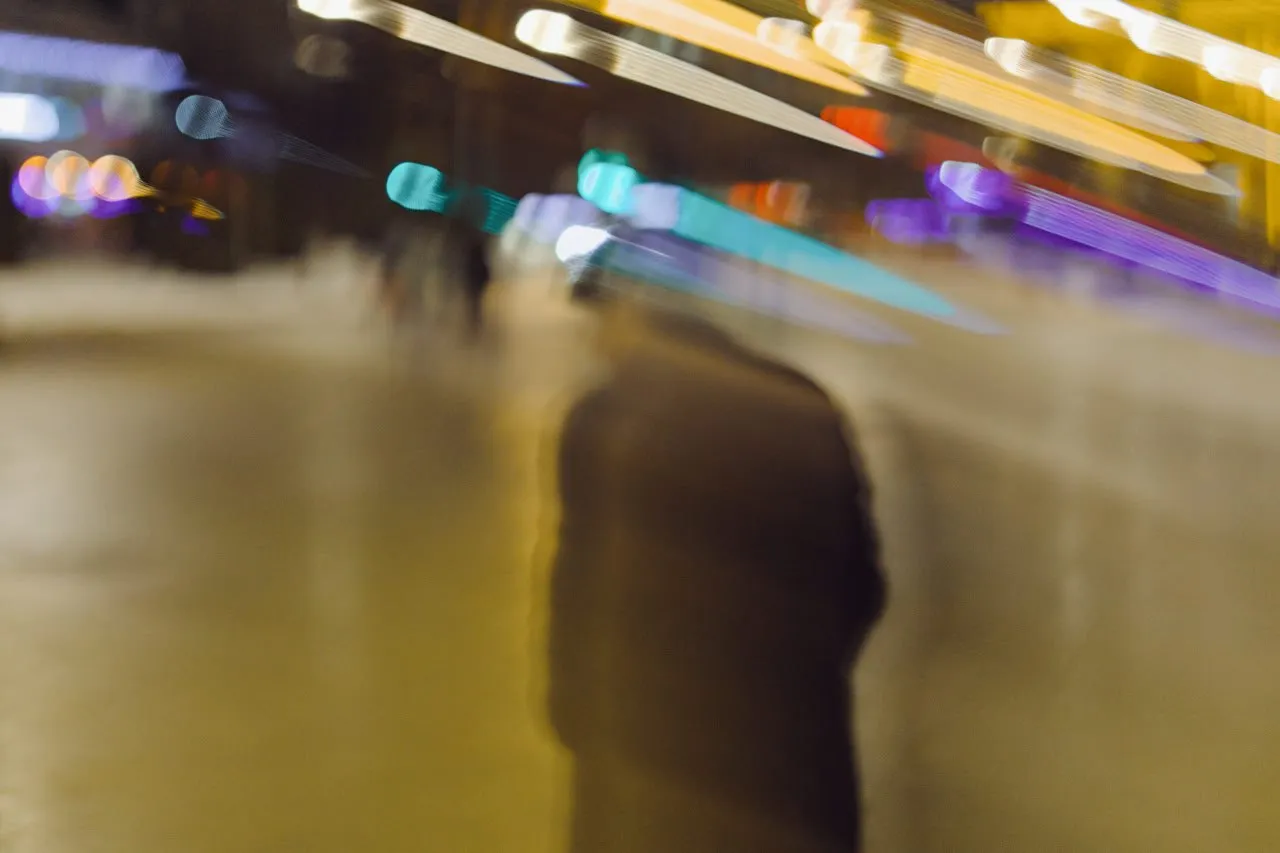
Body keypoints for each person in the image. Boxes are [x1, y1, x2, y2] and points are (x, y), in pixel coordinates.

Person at [547, 294, 887, 853]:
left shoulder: (605, 417)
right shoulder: (803, 402)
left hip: (647, 755)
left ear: (631, 315)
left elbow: (579, 587)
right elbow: (864, 587)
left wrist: (575, 709)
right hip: (792, 751)